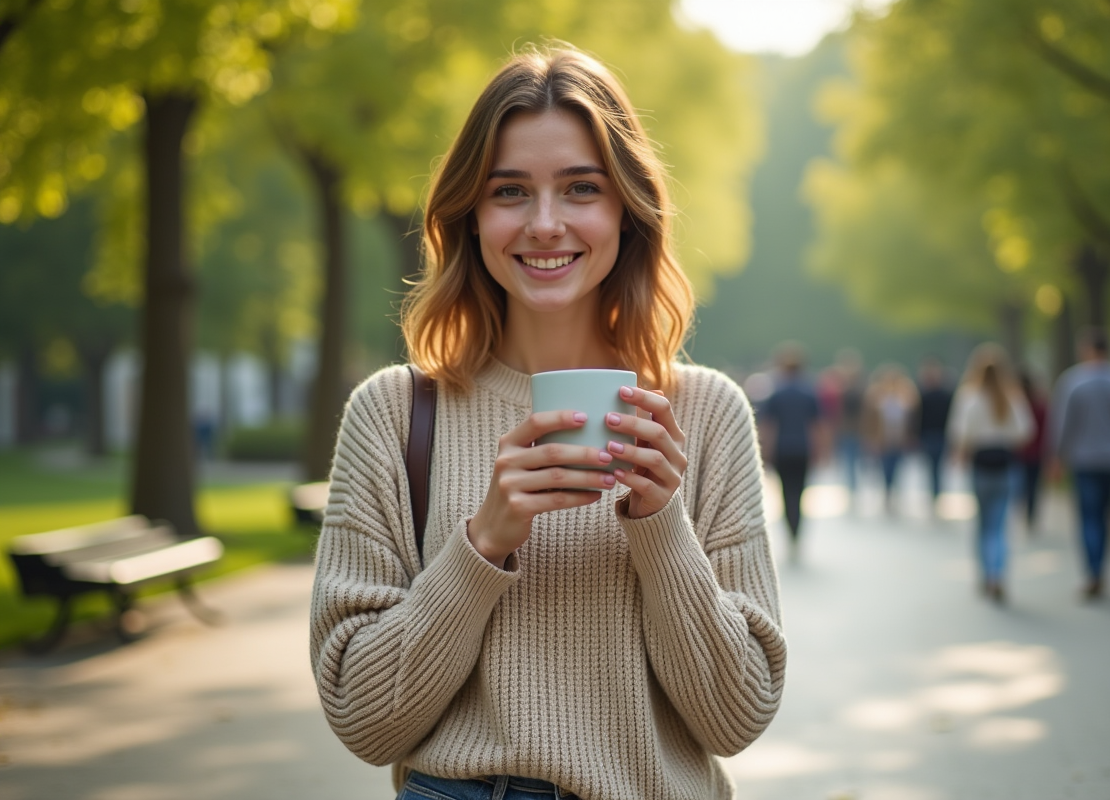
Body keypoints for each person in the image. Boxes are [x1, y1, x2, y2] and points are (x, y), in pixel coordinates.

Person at [309, 46, 786, 800]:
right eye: (509, 192)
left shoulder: (708, 414)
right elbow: (365, 723)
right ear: (470, 216)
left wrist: (661, 523)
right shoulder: (394, 414)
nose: (544, 223)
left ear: (626, 210)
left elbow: (737, 716)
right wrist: (482, 543)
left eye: (579, 188)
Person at [1047, 328, 1110, 601]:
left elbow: (1062, 424)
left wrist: (1057, 456)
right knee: (1104, 515)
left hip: (1083, 459)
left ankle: (1093, 571)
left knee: (1088, 516)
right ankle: (1101, 568)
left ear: (1087, 350)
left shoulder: (1072, 382)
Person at [948, 344, 1032, 604]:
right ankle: (998, 573)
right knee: (999, 524)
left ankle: (986, 574)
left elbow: (959, 433)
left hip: (981, 464)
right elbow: (1025, 432)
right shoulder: (1012, 397)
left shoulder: (969, 397)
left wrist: (961, 456)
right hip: (1005, 464)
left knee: (983, 524)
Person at [760, 341, 822, 556]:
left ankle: (790, 531)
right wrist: (819, 450)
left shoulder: (776, 393)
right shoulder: (809, 393)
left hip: (782, 449)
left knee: (786, 493)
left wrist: (766, 451)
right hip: (802, 448)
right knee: (801, 492)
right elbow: (816, 426)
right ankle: (797, 532)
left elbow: (769, 426)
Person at [862, 363, 918, 514]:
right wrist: (871, 438)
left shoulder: (906, 396)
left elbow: (911, 420)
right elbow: (871, 421)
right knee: (885, 467)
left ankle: (893, 491)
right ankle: (887, 493)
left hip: (899, 439)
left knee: (896, 467)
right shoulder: (876, 397)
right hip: (883, 439)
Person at [916, 356, 954, 510]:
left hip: (940, 435)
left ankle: (937, 493)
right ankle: (935, 493)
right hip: (929, 435)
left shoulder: (946, 395)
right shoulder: (922, 395)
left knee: (937, 467)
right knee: (933, 467)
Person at [1016, 369, 1048, 531]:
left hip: (1019, 453)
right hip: (1036, 453)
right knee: (1033, 486)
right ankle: (1031, 514)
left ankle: (1020, 510)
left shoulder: (1015, 405)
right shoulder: (1040, 405)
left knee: (1020, 485)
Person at [832, 348, 866, 497]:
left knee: (853, 461)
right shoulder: (842, 389)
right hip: (847, 430)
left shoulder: (860, 389)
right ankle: (852, 488)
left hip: (856, 430)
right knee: (849, 461)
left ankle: (853, 488)